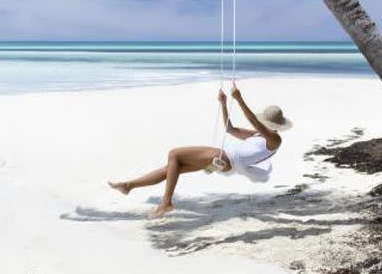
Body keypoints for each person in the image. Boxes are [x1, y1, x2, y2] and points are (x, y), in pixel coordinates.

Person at [108, 84, 293, 217]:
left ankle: (166, 203)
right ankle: (129, 186)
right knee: (174, 167)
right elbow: (230, 129)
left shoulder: (274, 139)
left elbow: (253, 120)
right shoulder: (259, 135)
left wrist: (239, 99)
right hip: (223, 159)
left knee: (174, 153)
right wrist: (224, 103)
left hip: (227, 159)